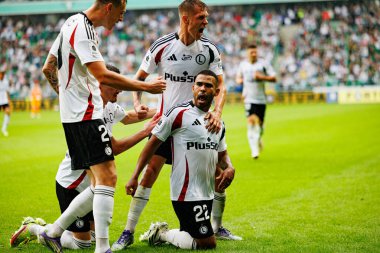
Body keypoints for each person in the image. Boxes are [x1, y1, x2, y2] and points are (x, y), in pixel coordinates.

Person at [112, 1, 241, 250]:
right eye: (201, 17)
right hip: (168, 123)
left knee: (216, 174)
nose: (206, 22)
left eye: (206, 17)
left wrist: (217, 112)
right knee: (149, 173)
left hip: (199, 123)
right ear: (186, 18)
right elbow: (139, 79)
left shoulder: (210, 50)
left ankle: (217, 225)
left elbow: (221, 85)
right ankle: (127, 232)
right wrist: (138, 102)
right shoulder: (162, 46)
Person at [39, 0, 166, 252]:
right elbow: (103, 75)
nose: (121, 19)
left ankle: (53, 232)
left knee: (101, 181)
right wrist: (145, 86)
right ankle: (102, 248)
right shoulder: (84, 29)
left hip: (77, 115)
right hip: (86, 115)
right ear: (109, 6)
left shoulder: (70, 23)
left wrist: (69, 101)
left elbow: (48, 67)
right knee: (108, 177)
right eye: (122, 12)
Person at [9, 64, 159, 250]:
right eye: (115, 84)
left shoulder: (110, 106)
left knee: (94, 236)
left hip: (92, 184)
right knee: (82, 243)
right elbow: (114, 148)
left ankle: (54, 230)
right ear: (100, 84)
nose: (120, 89)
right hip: (72, 185)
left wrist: (162, 112)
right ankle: (37, 230)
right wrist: (146, 131)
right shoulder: (90, 113)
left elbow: (128, 117)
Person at [134, 70, 235, 250]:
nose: (203, 89)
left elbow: (222, 154)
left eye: (208, 86)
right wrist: (135, 176)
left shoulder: (218, 123)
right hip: (185, 193)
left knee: (193, 234)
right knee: (207, 243)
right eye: (199, 85)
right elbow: (152, 144)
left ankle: (171, 234)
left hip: (206, 192)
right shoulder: (178, 114)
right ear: (193, 88)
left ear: (216, 92)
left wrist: (230, 167)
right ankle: (161, 234)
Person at [235, 44, 277, 159]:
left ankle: (258, 139)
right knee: (251, 122)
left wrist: (262, 77)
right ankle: (254, 151)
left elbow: (274, 78)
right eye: (251, 52)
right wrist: (240, 81)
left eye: (255, 52)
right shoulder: (243, 65)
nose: (253, 54)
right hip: (249, 99)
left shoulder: (263, 64)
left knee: (260, 126)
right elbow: (238, 78)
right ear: (247, 53)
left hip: (261, 100)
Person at [0, 69, 11, 137]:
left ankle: (4, 129)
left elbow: (7, 92)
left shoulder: (6, 82)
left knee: (8, 112)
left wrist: (9, 100)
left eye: (2, 74)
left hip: (4, 100)